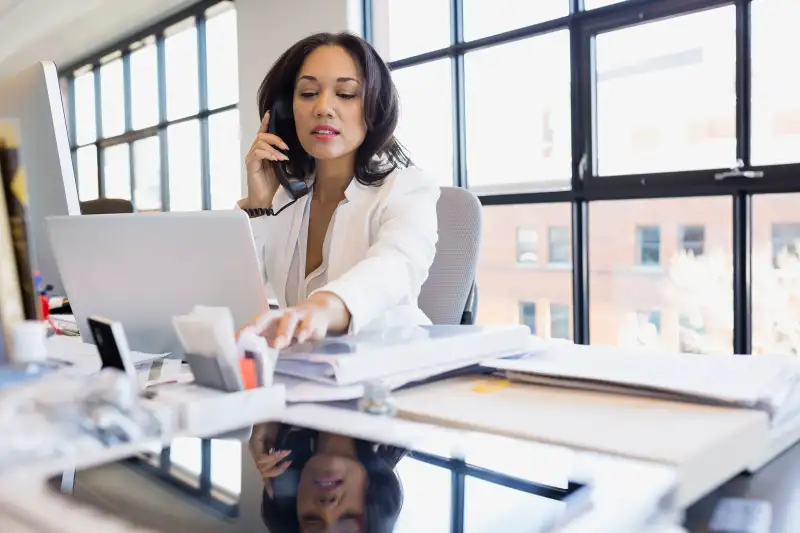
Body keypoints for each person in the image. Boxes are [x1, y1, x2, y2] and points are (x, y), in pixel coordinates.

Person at [237, 32, 440, 349]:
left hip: (389, 365)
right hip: (307, 372)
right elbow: (237, 295)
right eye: (308, 93)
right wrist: (259, 206)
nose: (323, 107)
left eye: (345, 93)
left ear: (374, 106)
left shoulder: (408, 188)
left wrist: (321, 308)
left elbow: (395, 266)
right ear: (286, 111)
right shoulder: (283, 198)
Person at [248, 422, 406, 533]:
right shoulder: (411, 415)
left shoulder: (272, 417)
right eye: (347, 519)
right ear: (374, 497)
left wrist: (266, 404)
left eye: (312, 520)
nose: (327, 508)